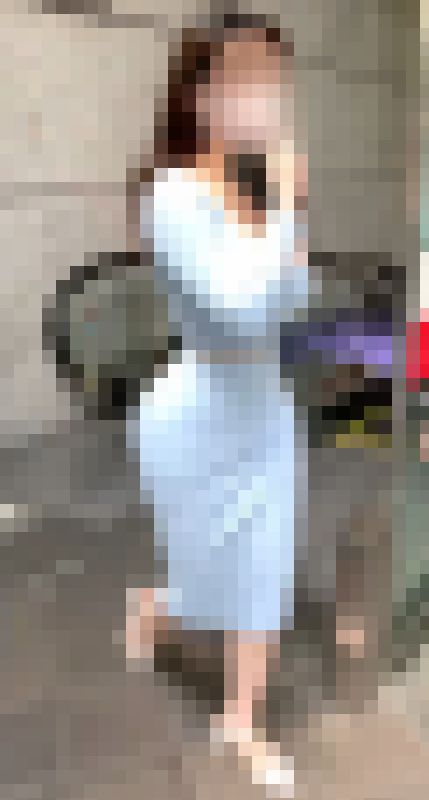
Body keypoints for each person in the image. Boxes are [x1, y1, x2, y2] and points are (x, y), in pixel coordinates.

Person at [126, 12, 308, 792]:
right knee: (205, 580)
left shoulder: (255, 189)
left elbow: (290, 301)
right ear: (199, 94)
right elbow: (236, 308)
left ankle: (239, 721)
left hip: (264, 407)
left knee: (263, 573)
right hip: (195, 414)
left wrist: (286, 211)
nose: (264, 93)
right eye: (245, 76)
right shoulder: (171, 194)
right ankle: (151, 607)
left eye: (273, 77)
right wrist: (287, 208)